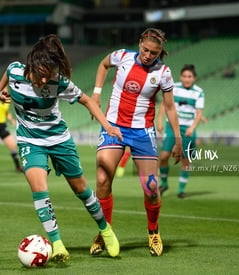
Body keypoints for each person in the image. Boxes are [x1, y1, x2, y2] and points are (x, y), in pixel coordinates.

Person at [0, 34, 122, 263]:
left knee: (82, 190)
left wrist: (107, 126)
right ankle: (57, 243)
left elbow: (87, 101)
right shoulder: (15, 71)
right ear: (31, 64)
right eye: (41, 75)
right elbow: (7, 73)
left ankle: (105, 229)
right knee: (39, 190)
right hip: (29, 141)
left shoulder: (59, 81)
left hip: (58, 139)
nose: (44, 81)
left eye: (49, 76)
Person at [90, 28, 182, 257]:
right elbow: (103, 65)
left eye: (154, 52)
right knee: (102, 179)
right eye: (145, 49)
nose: (149, 55)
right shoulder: (121, 56)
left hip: (143, 131)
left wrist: (178, 138)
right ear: (139, 43)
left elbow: (169, 107)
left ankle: (153, 232)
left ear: (160, 52)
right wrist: (96, 93)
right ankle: (104, 233)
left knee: (151, 187)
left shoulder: (164, 73)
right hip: (113, 126)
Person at [157, 64, 204, 199]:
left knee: (185, 160)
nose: (186, 79)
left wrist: (192, 127)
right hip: (172, 127)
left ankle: (181, 190)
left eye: (189, 76)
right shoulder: (174, 87)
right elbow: (164, 104)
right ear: (180, 77)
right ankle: (164, 183)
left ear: (194, 78)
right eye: (184, 76)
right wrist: (159, 121)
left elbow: (199, 112)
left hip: (188, 130)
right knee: (164, 156)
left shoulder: (199, 92)